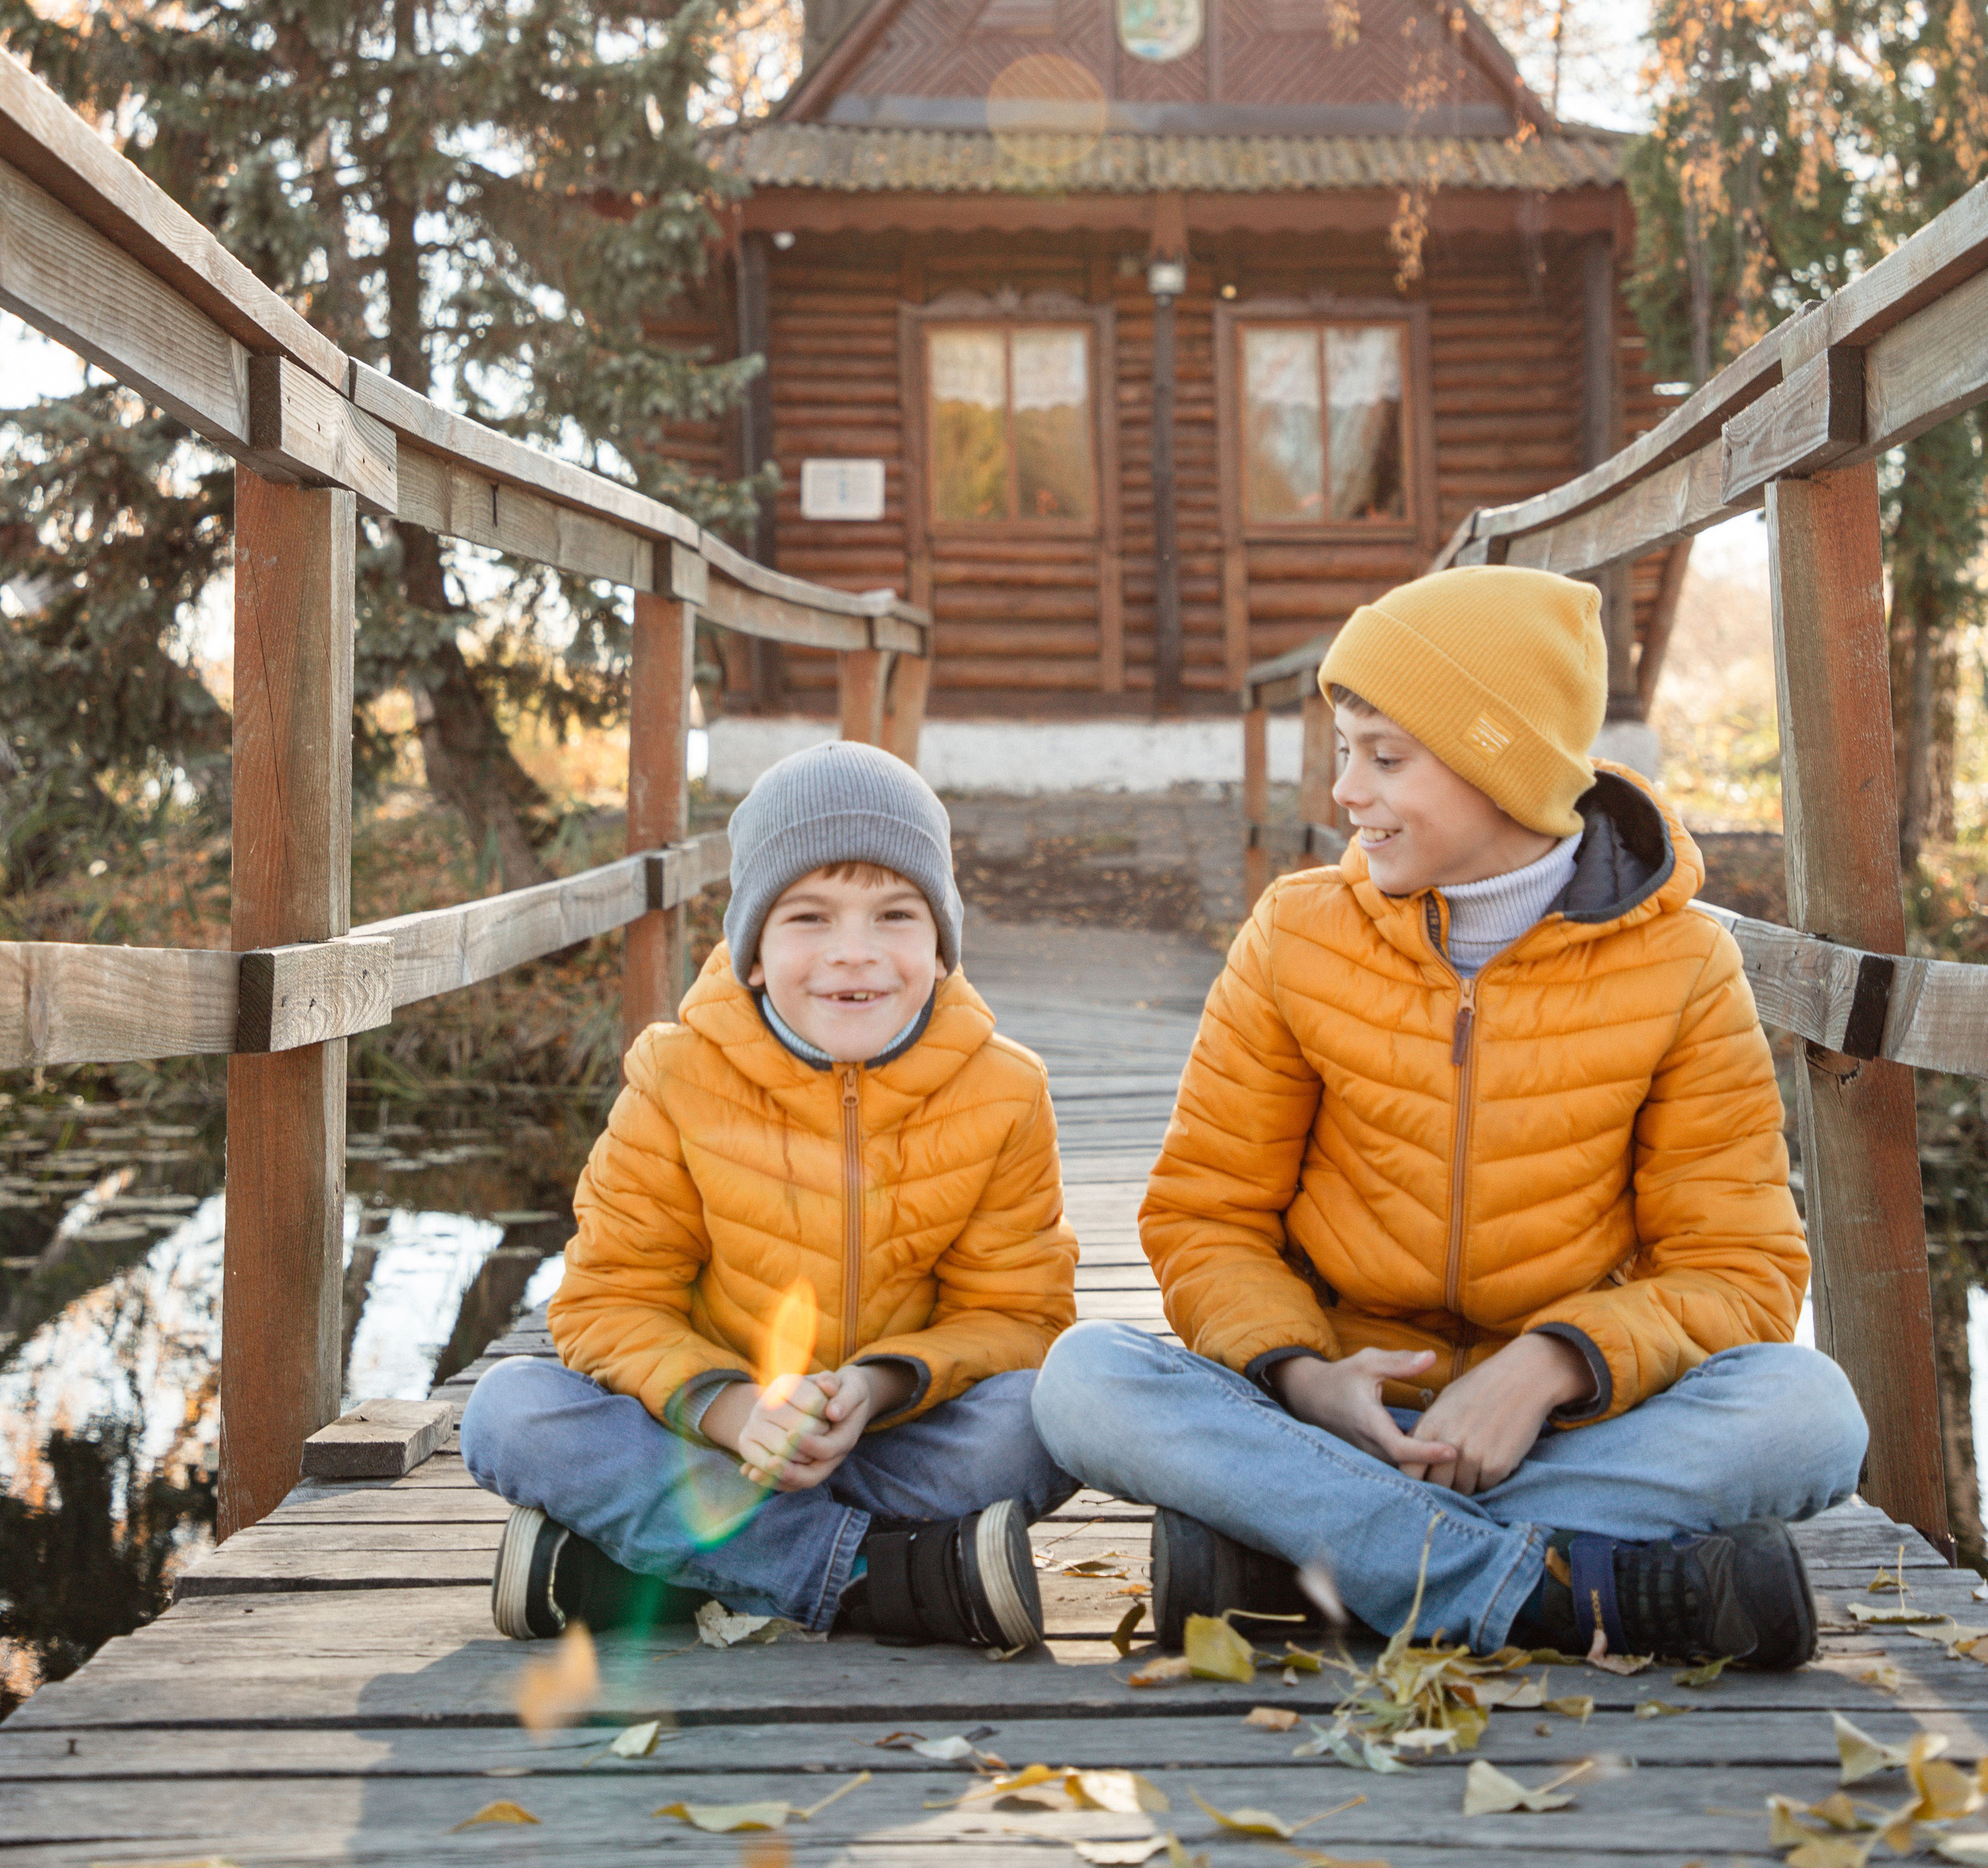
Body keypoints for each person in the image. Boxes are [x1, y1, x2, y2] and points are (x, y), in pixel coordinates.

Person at [1031, 567, 1867, 1670]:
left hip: (1566, 1427)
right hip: (1334, 1417)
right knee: (1085, 1379)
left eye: (1387, 758)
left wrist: (1549, 1367)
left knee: (1810, 1412)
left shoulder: (1683, 964)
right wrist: (1304, 1376)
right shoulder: (1298, 935)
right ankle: (1560, 1591)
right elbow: (1206, 1216)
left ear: (1501, 768)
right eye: (1344, 752)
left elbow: (1741, 1266)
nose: (1346, 794)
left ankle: (1301, 1559)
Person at [463, 738, 1078, 1648]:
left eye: (896, 915)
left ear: (943, 945)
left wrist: (873, 1388)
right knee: (508, 1413)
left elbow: (1021, 1317)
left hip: (893, 1439)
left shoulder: (1005, 1092)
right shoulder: (676, 1080)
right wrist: (731, 1411)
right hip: (707, 1442)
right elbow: (607, 1303)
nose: (854, 955)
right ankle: (877, 1574)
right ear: (752, 950)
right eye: (810, 919)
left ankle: (636, 1567)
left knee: (1056, 1412)